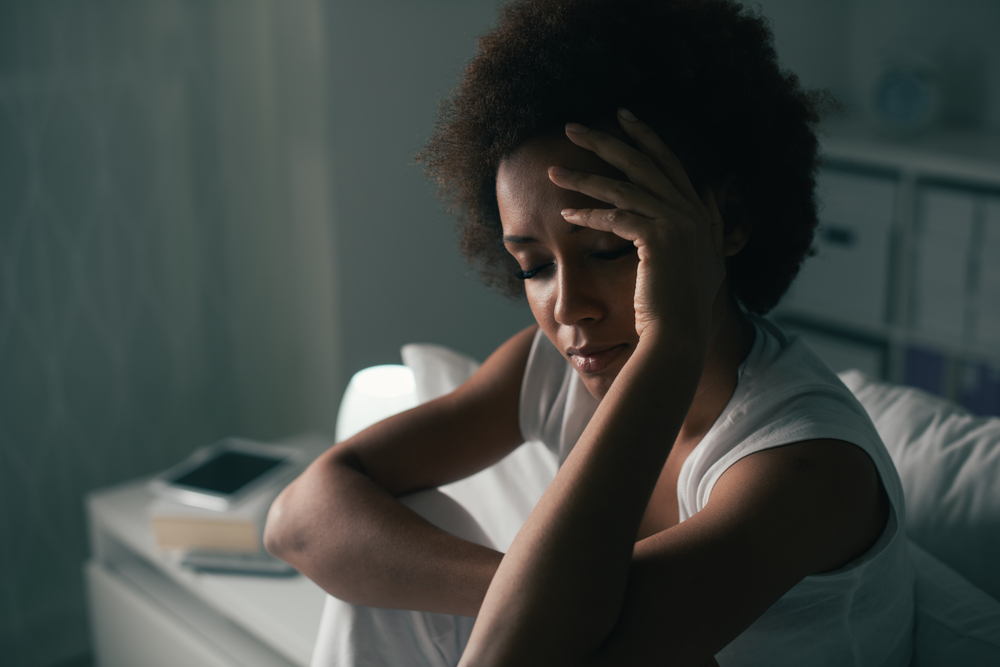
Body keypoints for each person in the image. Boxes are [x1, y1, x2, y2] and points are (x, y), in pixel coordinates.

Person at [263, 0, 915, 664]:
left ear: (729, 221)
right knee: (397, 542)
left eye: (609, 249)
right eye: (536, 265)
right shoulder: (549, 369)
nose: (568, 307)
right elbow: (297, 519)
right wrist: (528, 590)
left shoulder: (804, 469)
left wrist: (671, 345)